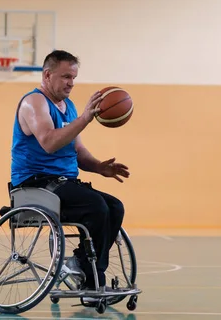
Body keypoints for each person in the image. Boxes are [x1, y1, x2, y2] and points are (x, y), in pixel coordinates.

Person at [11, 49, 130, 291]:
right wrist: (86, 118)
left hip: (64, 183)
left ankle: (79, 264)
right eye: (66, 77)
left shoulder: (69, 107)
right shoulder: (34, 102)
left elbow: (77, 150)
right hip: (35, 184)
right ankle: (92, 278)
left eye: (73, 78)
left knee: (115, 206)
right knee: (96, 206)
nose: (71, 83)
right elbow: (49, 141)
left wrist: (98, 167)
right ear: (47, 75)